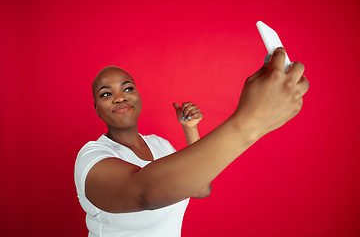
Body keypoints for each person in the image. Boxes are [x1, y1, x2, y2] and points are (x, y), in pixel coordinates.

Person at [75, 48, 309, 237]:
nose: (120, 97)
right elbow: (144, 193)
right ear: (96, 109)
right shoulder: (92, 157)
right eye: (106, 94)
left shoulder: (159, 144)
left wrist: (190, 129)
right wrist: (250, 121)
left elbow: (200, 188)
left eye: (128, 88)